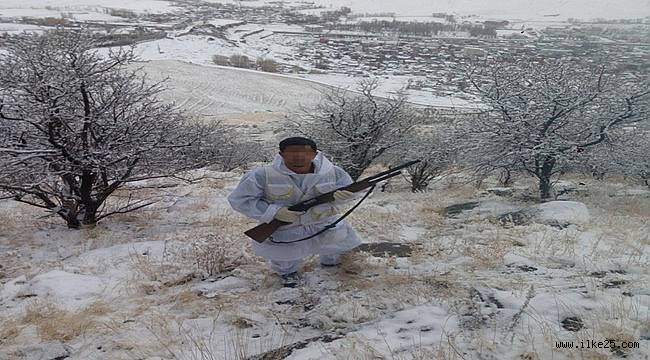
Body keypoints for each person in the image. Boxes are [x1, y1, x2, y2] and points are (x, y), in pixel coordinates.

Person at [227, 137, 361, 285]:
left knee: (334, 245)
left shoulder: (333, 172)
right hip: (287, 226)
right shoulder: (262, 175)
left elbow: (349, 193)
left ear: (315, 154)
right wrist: (274, 212)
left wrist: (343, 197)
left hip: (324, 223)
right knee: (285, 256)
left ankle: (331, 267)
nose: (298, 156)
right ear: (281, 154)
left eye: (305, 152)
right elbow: (240, 200)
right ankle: (288, 275)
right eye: (292, 152)